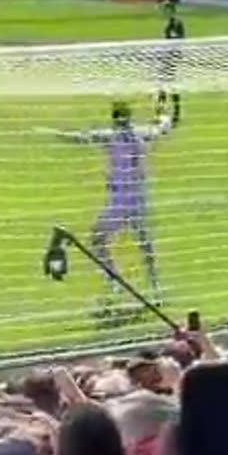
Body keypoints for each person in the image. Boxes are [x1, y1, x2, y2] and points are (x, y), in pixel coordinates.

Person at [52, 100, 173, 303]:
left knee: (98, 240)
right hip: (139, 198)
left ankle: (115, 282)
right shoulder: (143, 132)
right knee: (145, 244)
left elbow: (82, 138)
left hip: (119, 200)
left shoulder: (111, 136)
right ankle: (155, 287)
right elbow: (164, 127)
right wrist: (164, 115)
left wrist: (54, 133)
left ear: (114, 117)